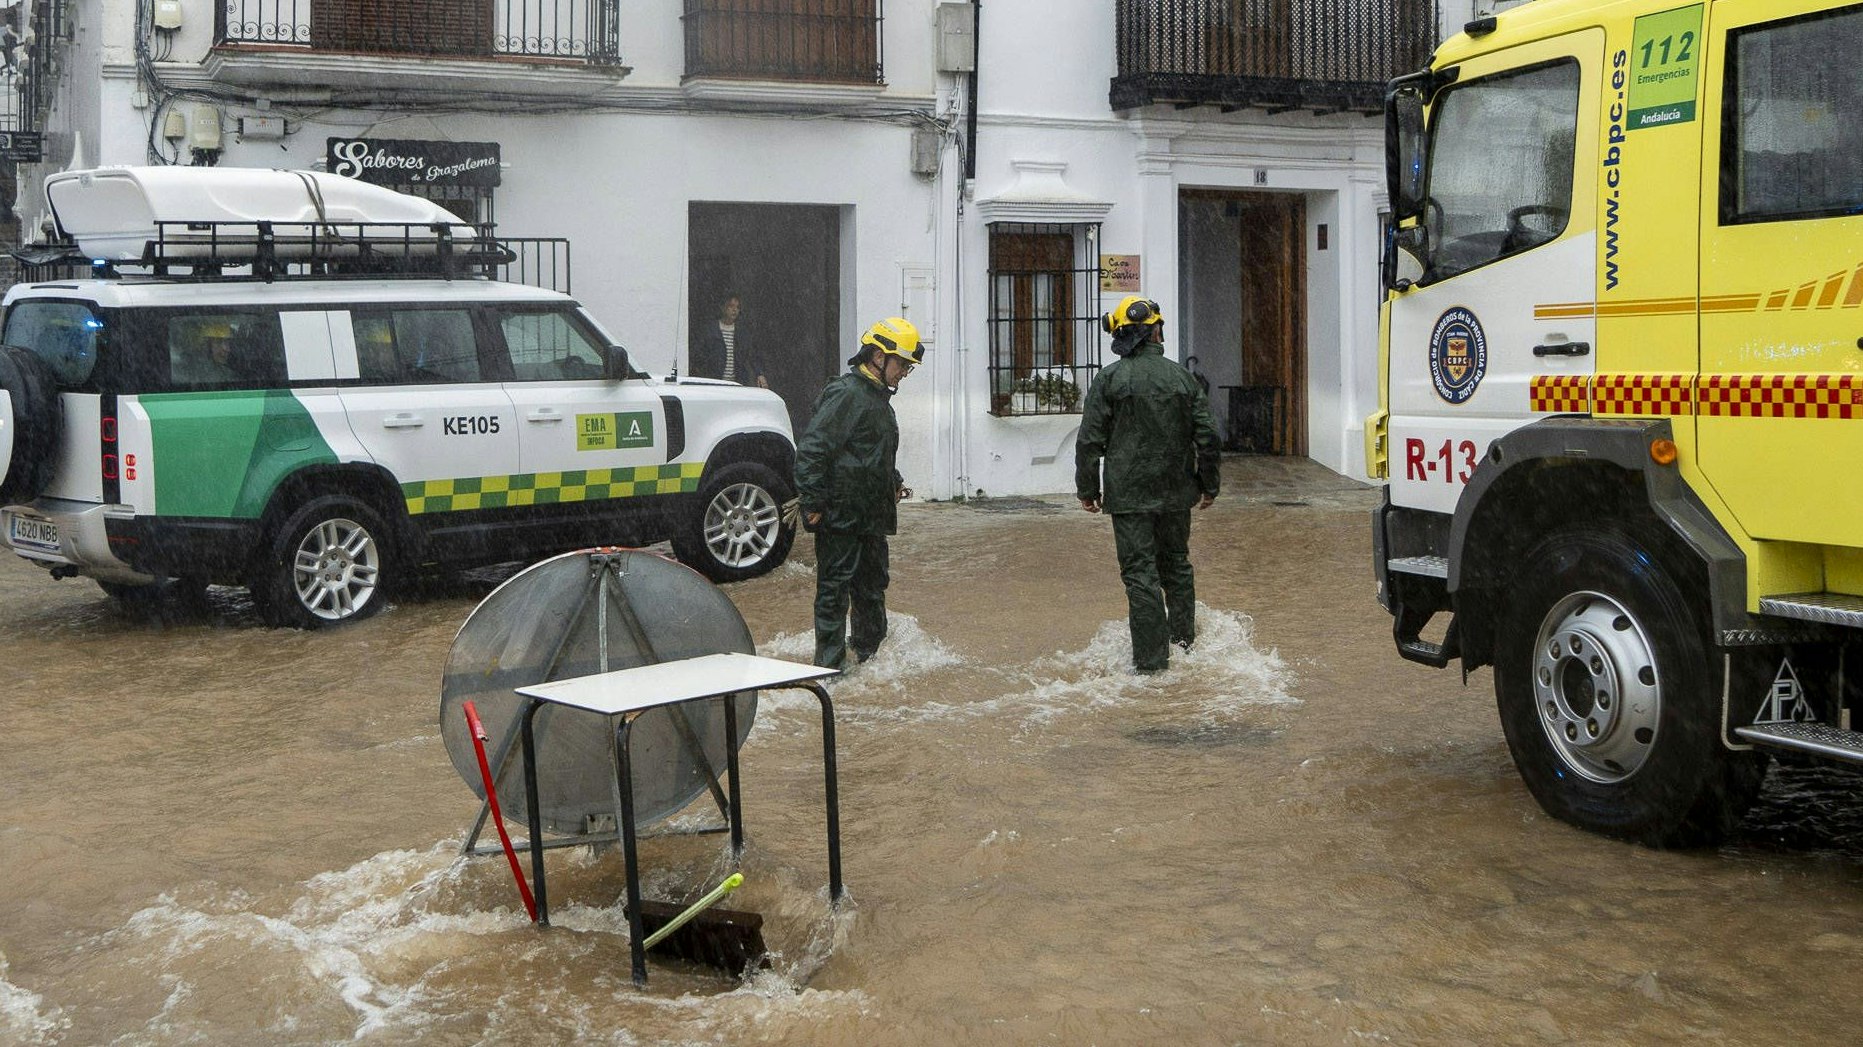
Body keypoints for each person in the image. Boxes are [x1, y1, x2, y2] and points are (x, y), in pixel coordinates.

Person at [1075, 295, 1221, 674]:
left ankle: (1152, 665)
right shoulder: (1182, 378)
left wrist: (1087, 490)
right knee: (1176, 565)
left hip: (1128, 498)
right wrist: (1209, 485)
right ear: (1155, 330)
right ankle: (1184, 647)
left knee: (1141, 574)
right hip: (1176, 494)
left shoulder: (1109, 378)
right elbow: (1207, 436)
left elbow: (1090, 440)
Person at [794, 317, 923, 670]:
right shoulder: (846, 393)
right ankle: (830, 669)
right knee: (835, 593)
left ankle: (871, 661)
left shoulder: (877, 398)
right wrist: (814, 503)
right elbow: (812, 450)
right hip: (840, 516)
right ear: (878, 357)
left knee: (871, 590)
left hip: (870, 518)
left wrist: (893, 481)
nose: (904, 374)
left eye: (909, 368)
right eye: (902, 365)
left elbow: (870, 452)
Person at [691, 294, 768, 387]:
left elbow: (751, 354)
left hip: (737, 383)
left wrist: (759, 374)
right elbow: (699, 356)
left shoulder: (742, 332)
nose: (734, 310)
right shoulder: (711, 331)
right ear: (723, 307)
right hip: (714, 383)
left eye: (737, 307)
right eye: (731, 306)